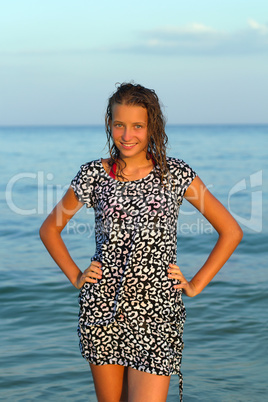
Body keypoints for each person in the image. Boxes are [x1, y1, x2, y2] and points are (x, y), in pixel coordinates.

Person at [39, 82, 243, 402]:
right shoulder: (94, 175)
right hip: (103, 310)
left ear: (152, 127)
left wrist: (195, 284)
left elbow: (231, 231)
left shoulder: (175, 174)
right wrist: (77, 276)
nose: (127, 135)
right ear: (110, 124)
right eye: (119, 125)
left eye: (137, 126)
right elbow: (50, 229)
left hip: (157, 313)